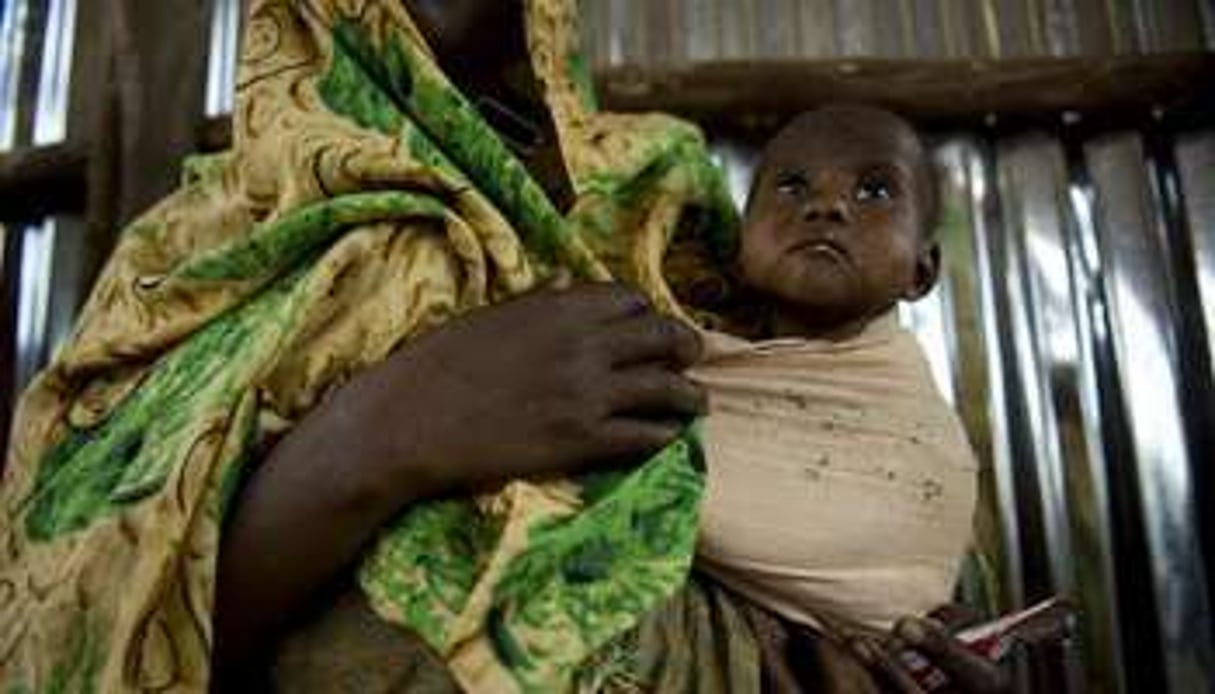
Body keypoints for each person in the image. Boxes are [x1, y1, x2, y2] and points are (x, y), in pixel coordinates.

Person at [0, 1, 1008, 693]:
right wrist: (376, 440)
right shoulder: (201, 248)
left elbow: (812, 462)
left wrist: (889, 640)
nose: (828, 205)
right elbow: (71, 628)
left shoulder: (666, 191)